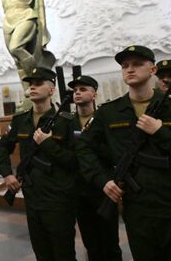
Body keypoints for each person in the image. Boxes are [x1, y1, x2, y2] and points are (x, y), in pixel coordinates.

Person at [77, 45, 171, 261]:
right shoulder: (109, 112)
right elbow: (84, 148)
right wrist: (102, 180)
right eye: (125, 66)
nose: (130, 69)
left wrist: (161, 133)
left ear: (153, 70)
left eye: (137, 64)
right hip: (137, 207)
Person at [0, 68, 77, 261]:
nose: (32, 87)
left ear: (51, 90)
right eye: (30, 84)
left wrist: (48, 144)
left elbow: (75, 161)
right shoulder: (20, 120)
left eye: (38, 83)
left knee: (63, 252)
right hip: (32, 195)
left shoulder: (67, 121)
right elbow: (1, 148)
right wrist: (7, 174)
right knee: (41, 250)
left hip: (59, 197)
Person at [68, 75, 122, 261]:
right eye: (75, 90)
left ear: (94, 94)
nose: (77, 93)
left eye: (83, 89)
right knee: (90, 241)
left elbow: (114, 152)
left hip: (102, 187)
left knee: (109, 242)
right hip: (79, 187)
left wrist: (88, 142)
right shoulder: (68, 122)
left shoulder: (105, 118)